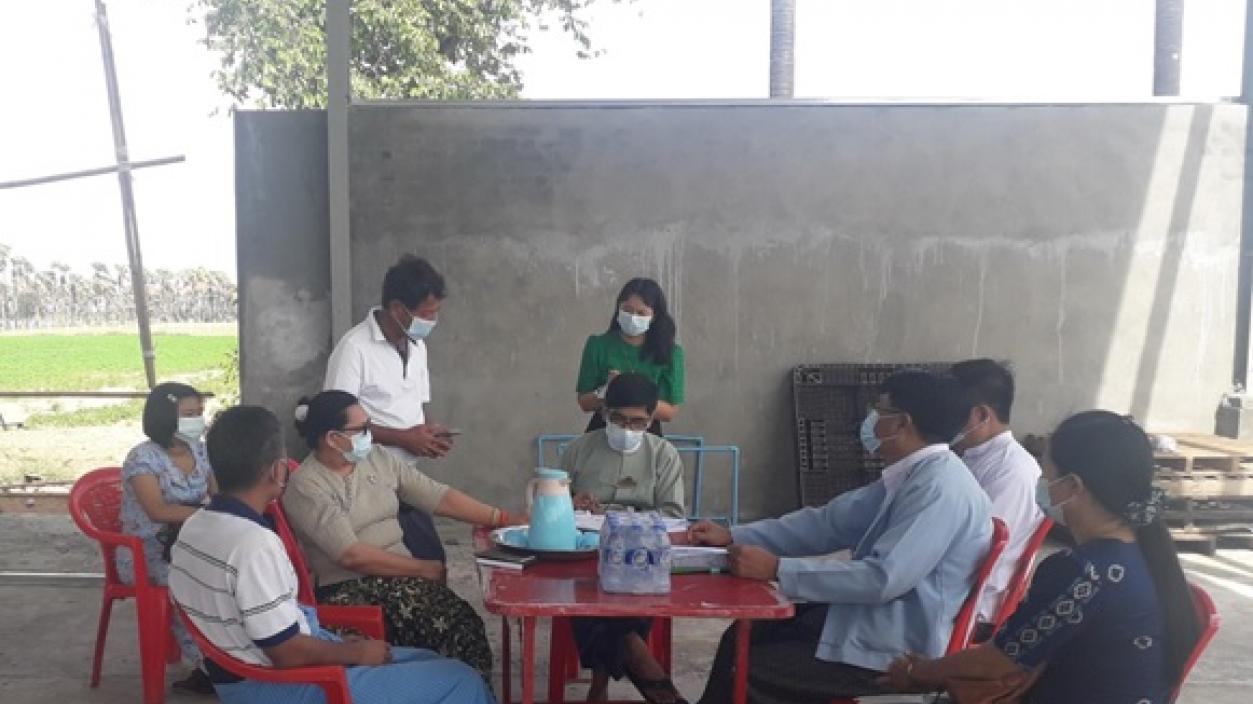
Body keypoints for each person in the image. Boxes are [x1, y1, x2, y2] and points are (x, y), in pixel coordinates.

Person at [689, 370, 992, 704]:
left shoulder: (940, 489)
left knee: (750, 669)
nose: (871, 421)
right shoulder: (911, 475)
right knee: (744, 635)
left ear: (901, 423)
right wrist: (733, 534)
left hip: (893, 650)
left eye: (879, 411)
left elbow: (883, 578)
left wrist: (777, 569)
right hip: (866, 619)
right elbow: (828, 524)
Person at [169, 405, 493, 704]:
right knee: (461, 680)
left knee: (432, 661)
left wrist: (338, 646)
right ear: (278, 471)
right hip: (277, 685)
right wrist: (355, 655)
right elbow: (286, 652)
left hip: (246, 671)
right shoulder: (254, 545)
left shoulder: (195, 526)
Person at [884, 411, 1201, 704]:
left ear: (1073, 486)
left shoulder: (1081, 571)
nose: (1042, 486)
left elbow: (997, 661)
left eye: (1047, 476)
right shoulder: (1148, 554)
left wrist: (918, 672)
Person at [281, 390, 523, 684]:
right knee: (455, 625)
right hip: (351, 587)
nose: (370, 435)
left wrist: (502, 519)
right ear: (333, 438)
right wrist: (421, 568)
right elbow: (350, 554)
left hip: (398, 578)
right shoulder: (307, 485)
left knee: (460, 625)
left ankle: (464, 692)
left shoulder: (377, 458)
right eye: (363, 429)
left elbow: (437, 496)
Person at [561, 373, 686, 703]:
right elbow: (555, 504)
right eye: (618, 419)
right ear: (604, 413)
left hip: (641, 556)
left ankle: (601, 682)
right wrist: (572, 502)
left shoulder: (664, 455)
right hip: (585, 553)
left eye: (637, 422)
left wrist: (624, 520)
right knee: (586, 592)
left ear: (651, 419)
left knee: (626, 599)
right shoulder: (578, 450)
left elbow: (673, 516)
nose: (627, 428)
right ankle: (650, 677)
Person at [325, 254, 455, 563]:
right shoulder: (354, 349)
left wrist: (430, 432)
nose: (432, 322)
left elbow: (418, 403)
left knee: (432, 560)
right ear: (398, 308)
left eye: (436, 313)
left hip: (406, 478)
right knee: (403, 565)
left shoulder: (417, 346)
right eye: (427, 314)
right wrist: (404, 438)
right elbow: (335, 423)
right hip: (367, 483)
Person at [119, 381, 216, 693]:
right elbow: (157, 510)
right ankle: (212, 668)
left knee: (232, 576)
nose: (197, 420)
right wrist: (210, 514)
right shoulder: (142, 458)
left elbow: (217, 495)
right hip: (148, 551)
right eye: (189, 414)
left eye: (199, 412)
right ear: (165, 418)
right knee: (193, 588)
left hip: (191, 542)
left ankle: (237, 656)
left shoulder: (200, 451)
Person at [950, 359, 1045, 631]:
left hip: (973, 605)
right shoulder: (971, 456)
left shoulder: (1012, 471)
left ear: (981, 415)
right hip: (955, 586)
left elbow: (976, 554)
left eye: (952, 410)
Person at [576, 278, 684, 435]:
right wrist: (605, 391)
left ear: (654, 316)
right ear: (618, 308)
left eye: (641, 313)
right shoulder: (598, 345)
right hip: (605, 427)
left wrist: (630, 392)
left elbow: (670, 412)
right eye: (627, 310)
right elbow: (584, 403)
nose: (633, 317)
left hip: (645, 430)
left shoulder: (671, 353)